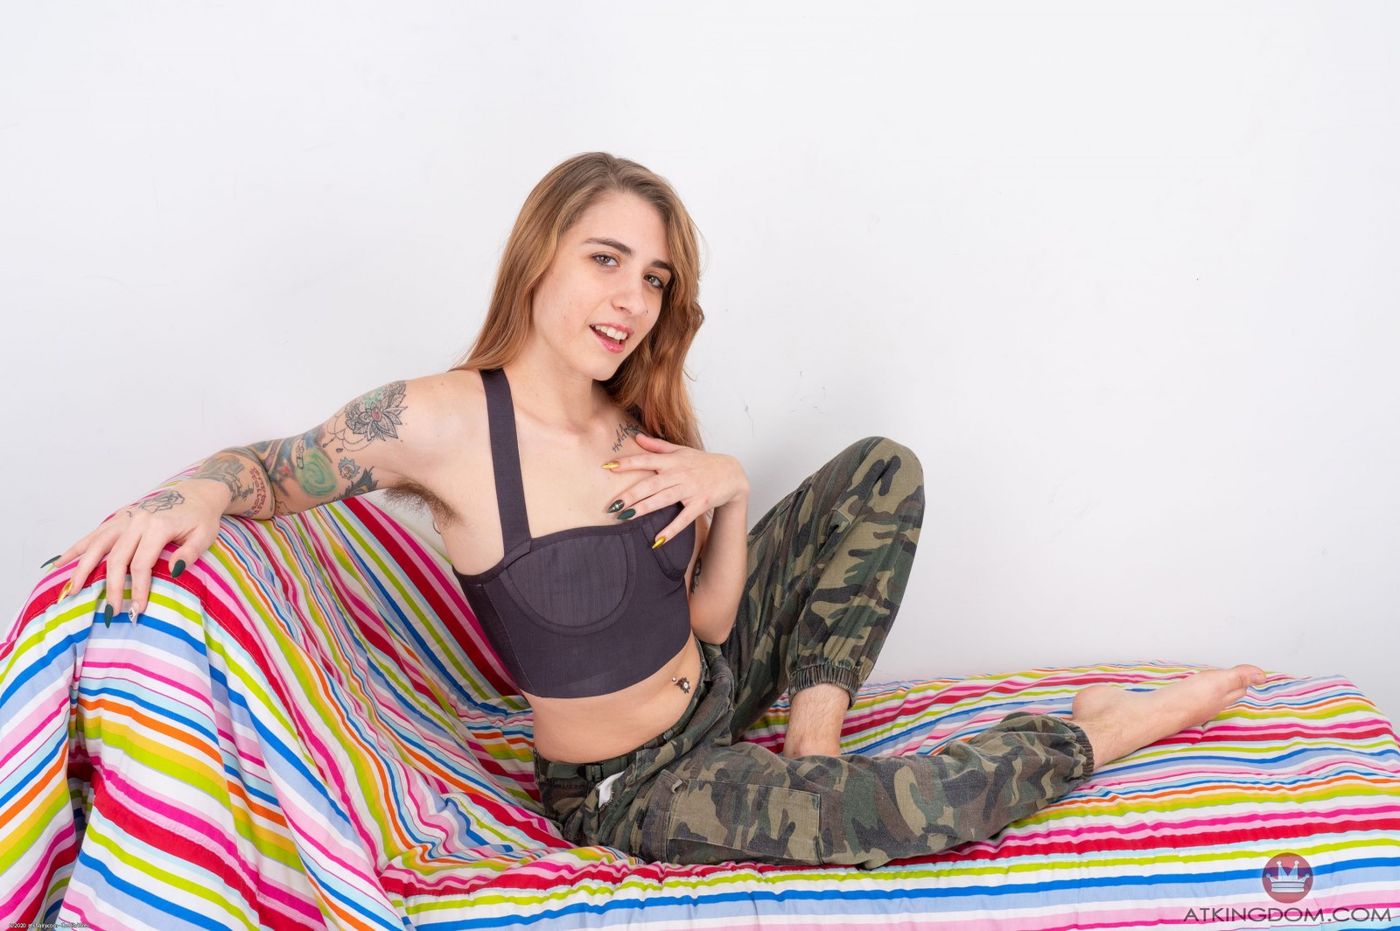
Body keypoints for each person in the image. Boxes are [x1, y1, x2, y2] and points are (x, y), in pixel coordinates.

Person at [45, 151, 1267, 869]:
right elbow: (268, 467)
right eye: (605, 259)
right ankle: (1096, 730)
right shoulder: (443, 421)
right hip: (630, 786)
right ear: (540, 255)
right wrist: (183, 497)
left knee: (880, 469)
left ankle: (814, 729)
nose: (630, 298)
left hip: (718, 688)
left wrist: (725, 487)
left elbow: (709, 619)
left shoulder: (634, 422)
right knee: (900, 815)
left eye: (653, 276)